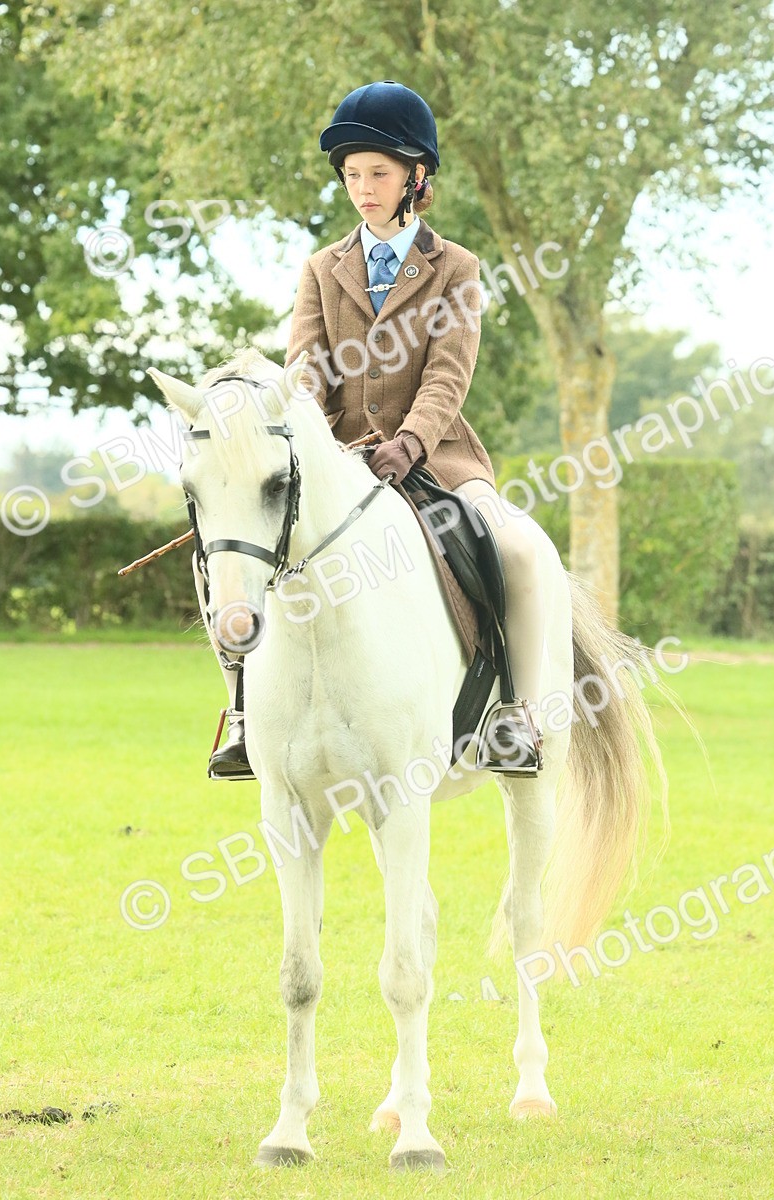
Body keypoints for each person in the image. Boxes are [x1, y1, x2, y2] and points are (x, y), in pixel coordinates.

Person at [206, 80, 545, 780]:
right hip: (335, 459)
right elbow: (307, 368)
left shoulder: (457, 269)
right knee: (231, 550)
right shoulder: (321, 270)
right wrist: (298, 430)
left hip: (437, 456)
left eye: (378, 174)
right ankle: (241, 709)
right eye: (352, 174)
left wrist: (412, 442)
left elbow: (449, 374)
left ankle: (515, 711)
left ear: (416, 178)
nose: (362, 188)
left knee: (515, 549)